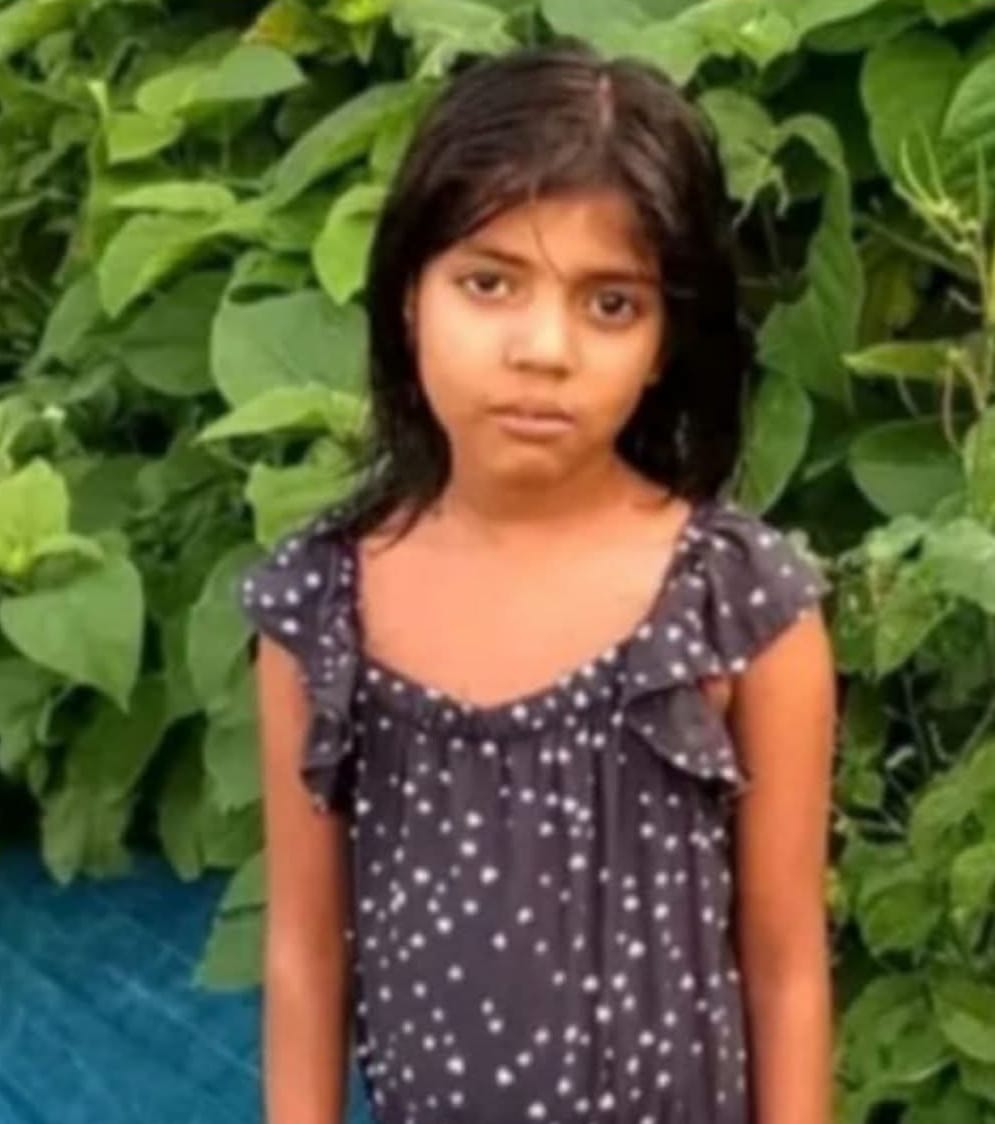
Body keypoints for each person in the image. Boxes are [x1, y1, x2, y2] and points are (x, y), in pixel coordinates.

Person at [238, 39, 837, 1124]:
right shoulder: (322, 610)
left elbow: (786, 964)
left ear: (664, 342)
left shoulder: (735, 609)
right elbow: (305, 952)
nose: (543, 349)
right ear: (407, 295)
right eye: (488, 282)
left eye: (610, 304)